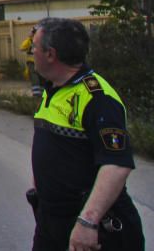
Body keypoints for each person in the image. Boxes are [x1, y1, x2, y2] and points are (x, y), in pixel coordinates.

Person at [29, 17, 144, 251]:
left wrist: (88, 221)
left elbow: (117, 164)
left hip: (94, 228)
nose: (31, 53)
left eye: (34, 48)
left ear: (50, 54)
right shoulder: (54, 88)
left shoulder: (98, 98)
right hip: (52, 221)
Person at [20, 26, 43, 99]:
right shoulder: (30, 41)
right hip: (31, 62)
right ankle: (36, 94)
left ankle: (42, 94)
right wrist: (29, 38)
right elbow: (22, 47)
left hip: (41, 62)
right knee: (34, 77)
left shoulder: (42, 40)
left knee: (42, 77)